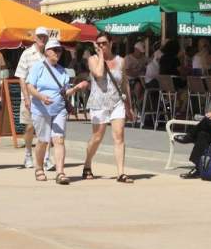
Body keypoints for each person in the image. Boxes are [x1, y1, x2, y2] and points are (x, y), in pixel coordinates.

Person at [82, 32, 134, 182]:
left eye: (104, 43)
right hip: (99, 103)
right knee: (97, 137)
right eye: (98, 44)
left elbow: (124, 84)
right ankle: (87, 164)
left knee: (119, 136)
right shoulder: (92, 60)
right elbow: (98, 74)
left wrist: (129, 106)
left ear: (111, 43)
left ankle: (121, 173)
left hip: (117, 102)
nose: (101, 46)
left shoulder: (121, 61)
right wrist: (100, 56)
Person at [26, 40, 76, 184]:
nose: (58, 53)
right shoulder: (38, 67)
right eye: (54, 50)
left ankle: (60, 172)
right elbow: (30, 86)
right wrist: (41, 97)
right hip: (41, 109)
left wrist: (77, 88)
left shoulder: (62, 70)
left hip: (59, 109)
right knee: (43, 140)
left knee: (59, 140)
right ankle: (39, 168)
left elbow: (65, 91)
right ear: (47, 51)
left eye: (59, 50)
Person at [16, 27, 53, 169]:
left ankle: (47, 158)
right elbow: (21, 77)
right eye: (40, 36)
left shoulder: (49, 54)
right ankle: (28, 155)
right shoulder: (27, 54)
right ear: (34, 38)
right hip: (30, 97)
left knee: (47, 128)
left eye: (44, 37)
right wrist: (26, 98)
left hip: (45, 97)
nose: (42, 39)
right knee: (29, 127)